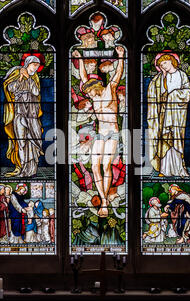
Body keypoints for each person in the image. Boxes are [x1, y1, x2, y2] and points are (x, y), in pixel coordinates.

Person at [72, 46, 125, 217]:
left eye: (90, 91)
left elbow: (117, 75)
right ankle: (103, 200)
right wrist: (80, 59)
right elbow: (83, 76)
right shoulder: (93, 96)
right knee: (95, 167)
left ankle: (104, 202)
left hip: (112, 133)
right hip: (100, 134)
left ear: (97, 86)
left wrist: (122, 56)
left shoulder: (110, 90)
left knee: (106, 166)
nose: (89, 95)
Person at [147, 53, 190, 178]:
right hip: (164, 113)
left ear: (172, 61)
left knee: (177, 140)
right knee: (165, 139)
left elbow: (189, 91)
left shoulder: (182, 75)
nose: (164, 66)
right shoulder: (160, 79)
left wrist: (174, 95)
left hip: (178, 114)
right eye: (161, 64)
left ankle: (180, 168)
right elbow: (156, 93)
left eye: (165, 62)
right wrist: (163, 77)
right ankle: (165, 169)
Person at [3, 55, 45, 177]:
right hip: (19, 114)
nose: (36, 68)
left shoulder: (34, 78)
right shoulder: (18, 76)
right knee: (21, 142)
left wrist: (28, 78)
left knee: (33, 142)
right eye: (34, 65)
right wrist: (21, 78)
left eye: (37, 66)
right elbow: (10, 88)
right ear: (27, 64)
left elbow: (36, 92)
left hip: (32, 116)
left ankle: (31, 169)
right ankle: (22, 167)